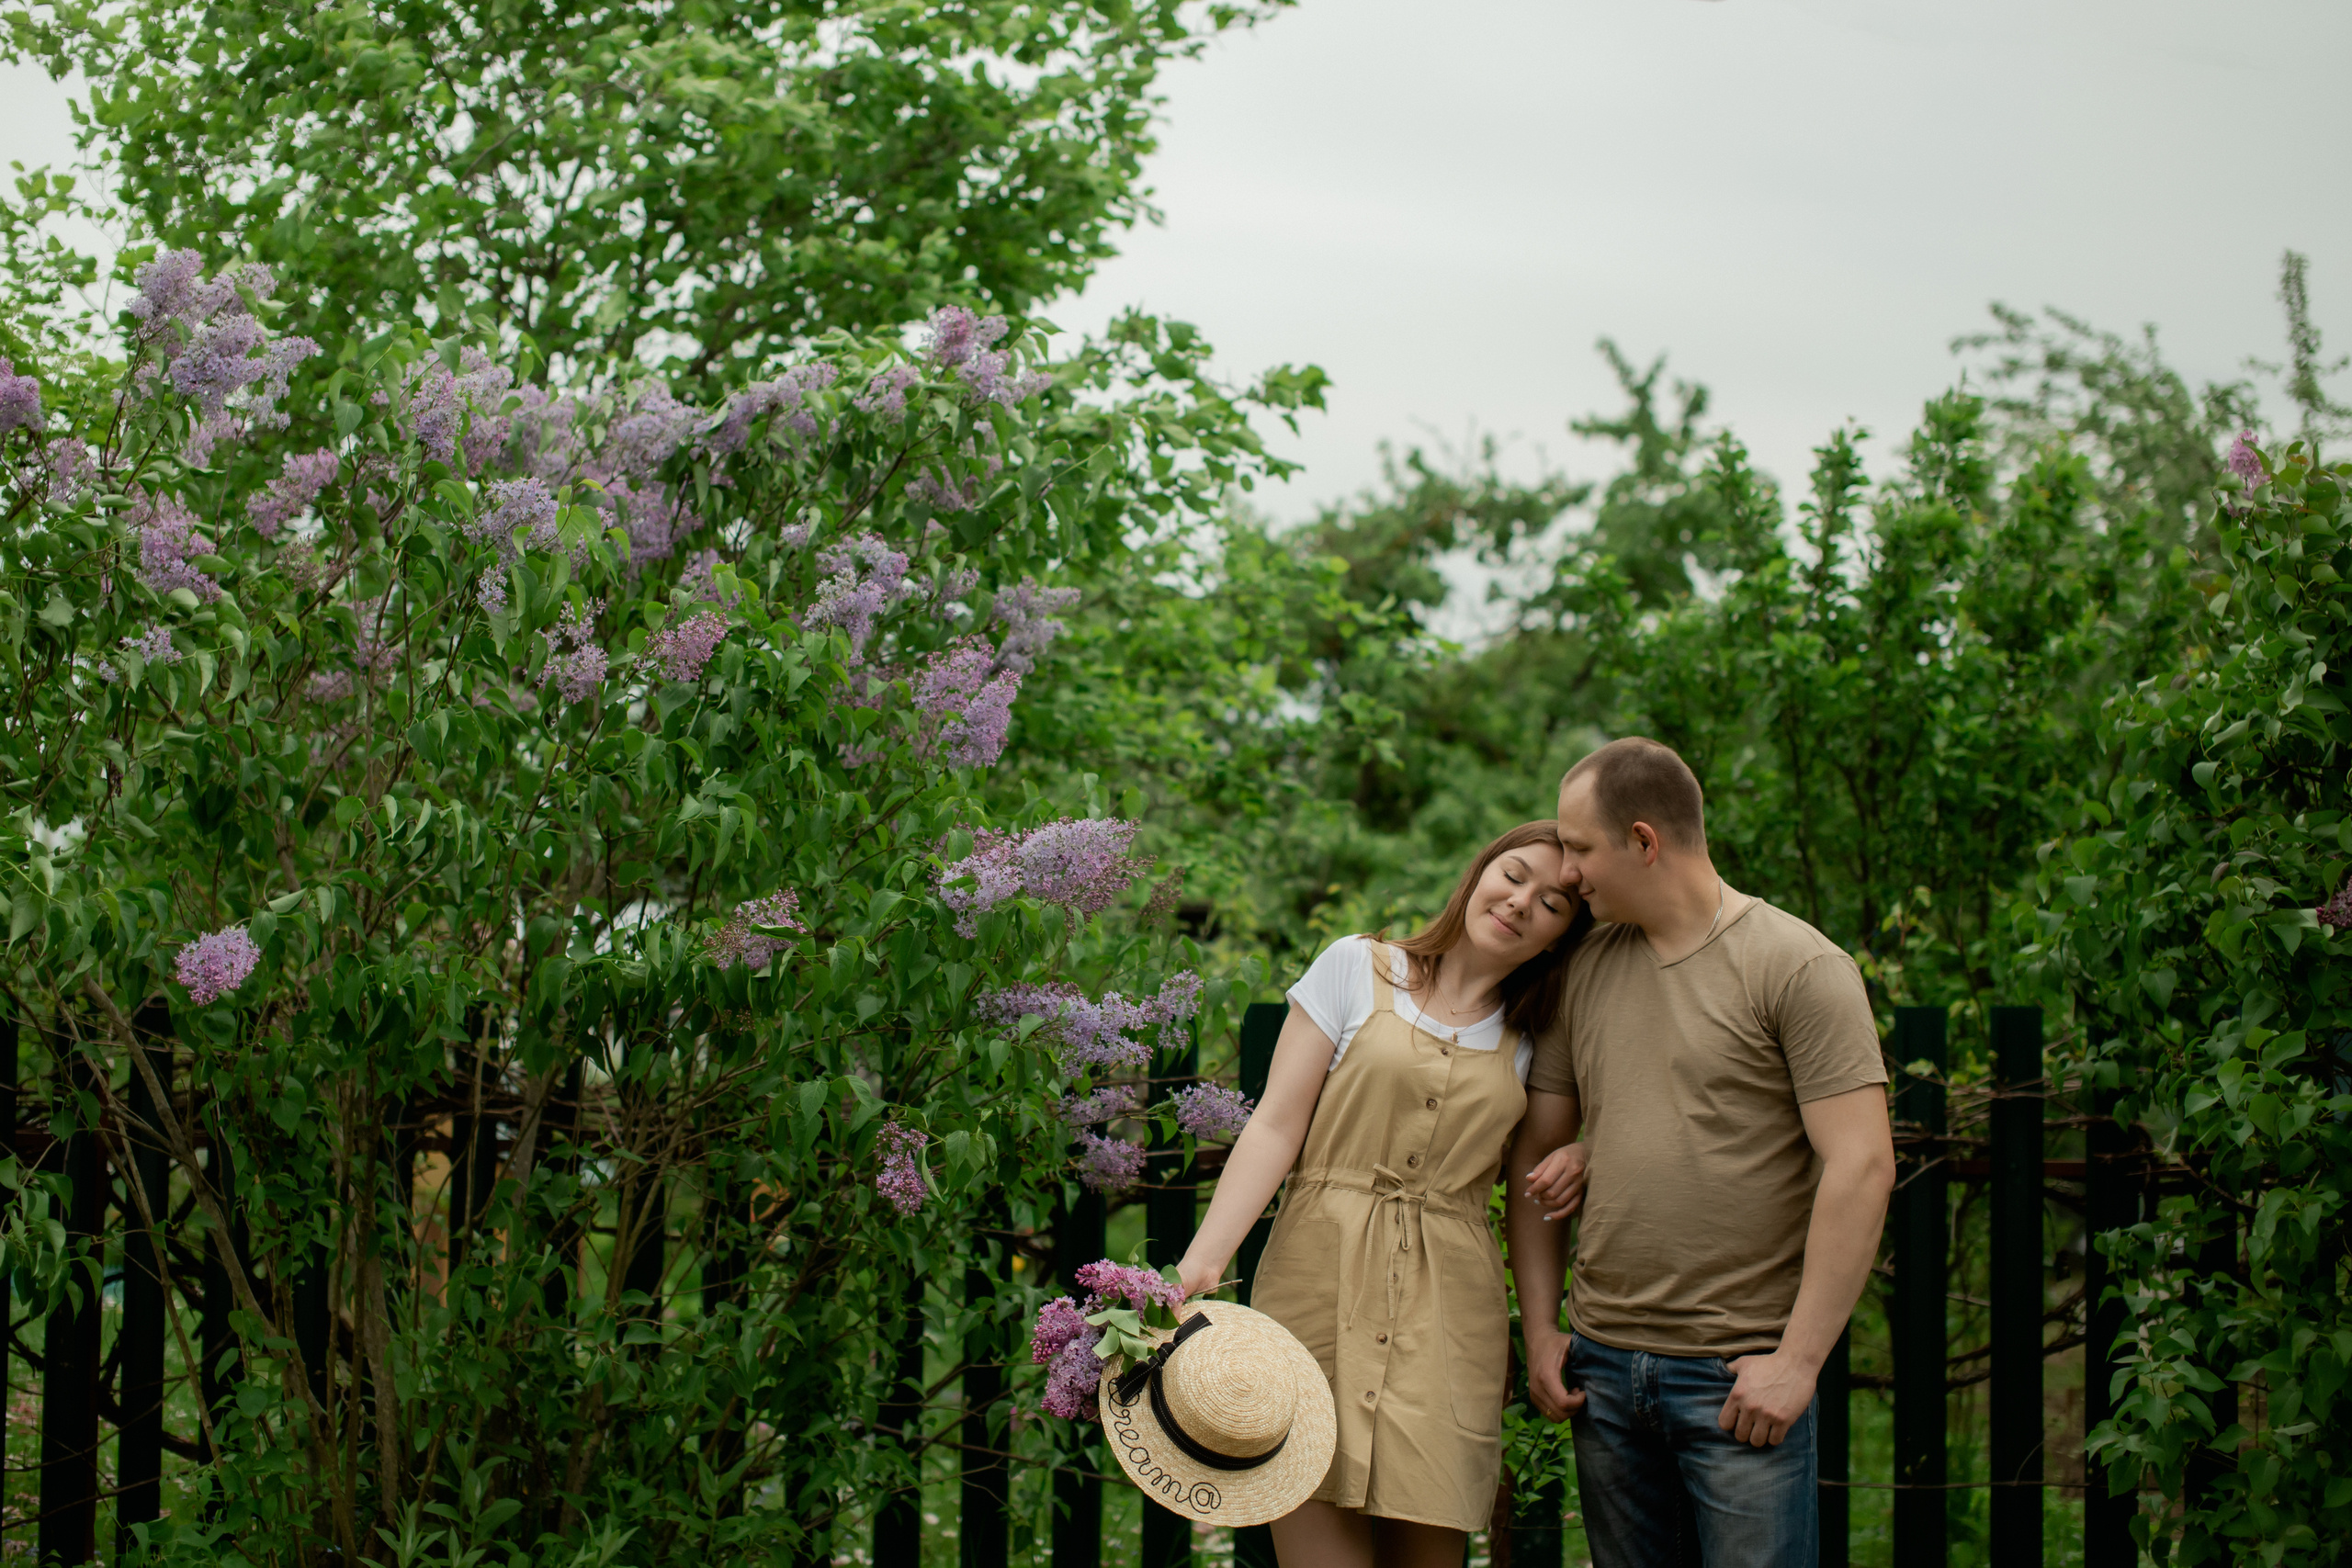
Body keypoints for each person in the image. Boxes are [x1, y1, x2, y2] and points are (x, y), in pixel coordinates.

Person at [1506, 737, 1895, 1568]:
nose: (1568, 873)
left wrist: (1797, 1363)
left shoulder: (1798, 966)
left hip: (1736, 1380)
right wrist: (1540, 1329)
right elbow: (1536, 1150)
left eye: (1579, 848)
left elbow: (1863, 1164)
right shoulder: (1586, 966)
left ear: (1644, 841)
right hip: (1603, 1375)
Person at [1176, 822, 1589, 1568]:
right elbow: (1276, 1124)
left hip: (1450, 1316)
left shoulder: (1538, 1039)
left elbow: (1534, 1192)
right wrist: (1203, 1262)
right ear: (1480, 870)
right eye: (1514, 874)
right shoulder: (1356, 966)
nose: (1522, 901)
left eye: (1553, 902)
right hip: (1316, 1285)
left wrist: (1541, 1330)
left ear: (1561, 937)